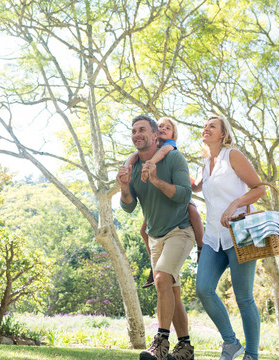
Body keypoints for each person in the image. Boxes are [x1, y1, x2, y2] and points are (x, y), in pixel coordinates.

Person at [117, 115, 199, 360]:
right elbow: (129, 206)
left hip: (180, 231)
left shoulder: (173, 158)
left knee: (162, 278)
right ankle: (185, 347)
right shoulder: (131, 167)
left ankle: (160, 343)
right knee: (170, 292)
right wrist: (123, 187)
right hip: (155, 237)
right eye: (133, 131)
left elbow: (185, 195)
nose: (136, 134)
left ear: (155, 135)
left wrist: (155, 179)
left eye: (142, 129)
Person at [193, 115, 265, 360]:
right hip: (213, 237)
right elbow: (196, 186)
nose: (206, 129)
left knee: (244, 297)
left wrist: (236, 203)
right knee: (203, 289)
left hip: (240, 235)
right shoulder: (206, 162)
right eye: (205, 126)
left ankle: (252, 355)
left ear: (223, 134)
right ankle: (231, 343)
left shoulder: (232, 155)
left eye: (212, 126)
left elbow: (260, 189)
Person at [124, 117, 204, 289]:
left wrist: (149, 164)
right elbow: (133, 156)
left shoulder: (169, 146)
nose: (162, 130)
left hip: (177, 195)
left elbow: (187, 189)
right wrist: (127, 166)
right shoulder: (148, 148)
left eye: (167, 128)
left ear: (173, 133)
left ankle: (201, 246)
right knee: (144, 230)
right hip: (158, 206)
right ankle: (155, 267)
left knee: (193, 211)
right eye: (160, 126)